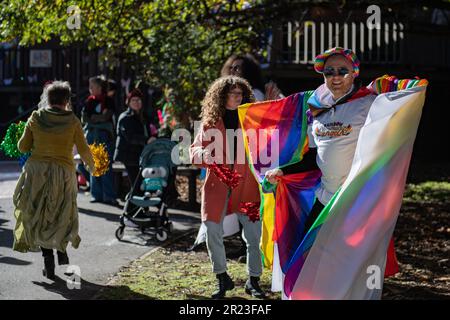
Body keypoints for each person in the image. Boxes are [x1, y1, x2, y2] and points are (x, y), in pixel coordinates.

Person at [264, 47, 399, 274]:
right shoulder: (316, 110)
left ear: (355, 72)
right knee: (306, 255)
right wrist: (282, 170)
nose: (335, 77)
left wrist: (392, 87)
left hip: (356, 198)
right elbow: (314, 157)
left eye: (342, 71)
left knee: (353, 262)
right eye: (329, 72)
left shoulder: (369, 103)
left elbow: (390, 135)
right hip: (326, 196)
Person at [189, 76, 265, 299]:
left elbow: (268, 145)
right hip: (217, 186)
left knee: (253, 235)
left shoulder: (252, 119)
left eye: (240, 93)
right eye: (233, 93)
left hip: (248, 185)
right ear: (222, 96)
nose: (237, 96)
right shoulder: (210, 122)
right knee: (212, 231)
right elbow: (194, 151)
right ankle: (222, 277)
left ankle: (254, 280)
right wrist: (204, 154)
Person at [12, 81, 96, 280]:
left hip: (37, 173)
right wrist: (93, 167)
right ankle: (61, 250)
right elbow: (84, 150)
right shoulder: (73, 121)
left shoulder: (36, 117)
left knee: (40, 215)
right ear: (67, 100)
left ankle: (48, 261)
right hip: (63, 174)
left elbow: (23, 147)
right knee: (61, 213)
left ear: (47, 99)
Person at [81, 76, 118, 206]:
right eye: (90, 87)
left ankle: (109, 195)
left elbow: (106, 116)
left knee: (106, 166)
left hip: (104, 136)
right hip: (92, 136)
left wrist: (95, 118)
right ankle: (96, 194)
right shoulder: (89, 101)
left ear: (100, 87)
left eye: (93, 86)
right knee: (93, 165)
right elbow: (85, 118)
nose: (90, 89)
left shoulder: (108, 100)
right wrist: (98, 118)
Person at [114, 88, 155, 190]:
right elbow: (130, 137)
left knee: (142, 182)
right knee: (137, 184)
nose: (137, 102)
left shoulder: (144, 116)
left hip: (141, 154)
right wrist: (146, 140)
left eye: (139, 100)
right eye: (134, 100)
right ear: (128, 102)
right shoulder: (125, 117)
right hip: (128, 155)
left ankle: (140, 204)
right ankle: (136, 205)